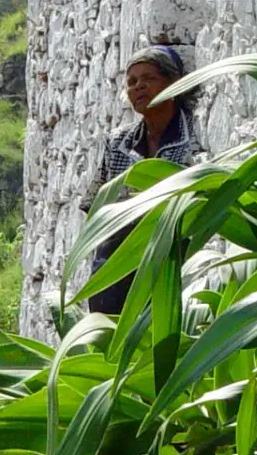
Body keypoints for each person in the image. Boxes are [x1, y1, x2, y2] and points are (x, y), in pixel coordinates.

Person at [78, 45, 209, 314]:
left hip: (171, 251)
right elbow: (95, 203)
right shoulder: (118, 142)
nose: (138, 87)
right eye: (132, 82)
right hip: (120, 253)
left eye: (149, 79)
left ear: (174, 84)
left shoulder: (194, 136)